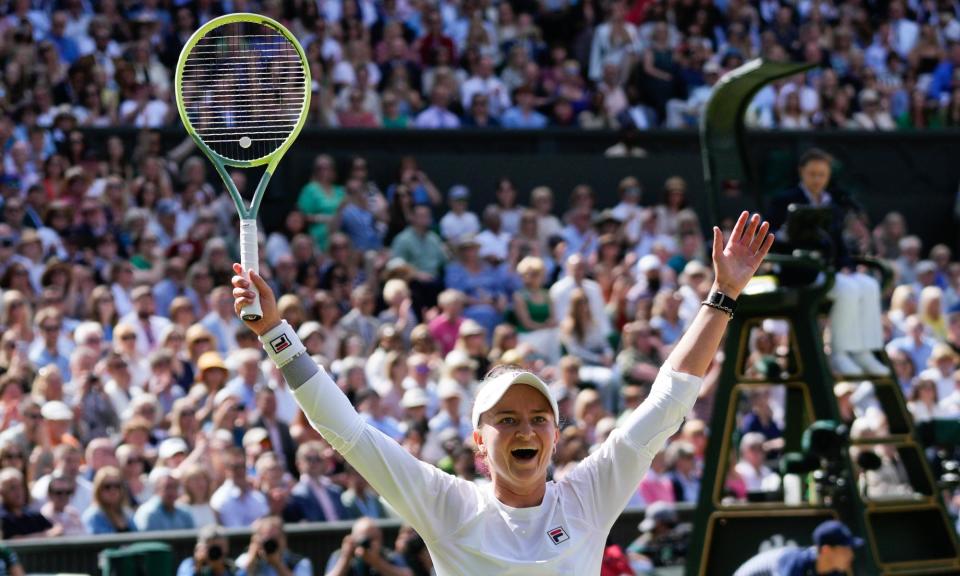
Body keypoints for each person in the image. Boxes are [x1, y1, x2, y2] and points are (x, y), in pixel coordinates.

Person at [231, 211, 773, 573]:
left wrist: (723, 295)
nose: (525, 428)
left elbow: (669, 399)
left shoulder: (589, 495)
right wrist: (278, 334)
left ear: (556, 436)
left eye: (538, 418)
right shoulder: (447, 504)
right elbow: (346, 432)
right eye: (506, 419)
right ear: (477, 442)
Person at [768, 149, 889, 377]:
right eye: (812, 173)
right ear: (801, 172)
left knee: (868, 285)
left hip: (828, 270)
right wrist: (786, 233)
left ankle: (864, 352)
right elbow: (769, 236)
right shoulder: (784, 200)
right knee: (848, 288)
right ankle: (840, 353)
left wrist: (847, 265)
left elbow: (837, 242)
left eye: (822, 174)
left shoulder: (833, 202)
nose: (817, 179)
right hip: (798, 273)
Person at [733, 519, 862, 576]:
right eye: (845, 550)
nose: (851, 555)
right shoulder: (794, 563)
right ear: (826, 550)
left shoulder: (833, 571)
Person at [325, 516, 412, 576]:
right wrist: (345, 559)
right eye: (364, 539)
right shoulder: (340, 555)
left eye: (373, 539)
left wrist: (377, 563)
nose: (368, 544)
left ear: (381, 539)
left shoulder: (387, 556)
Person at [235, 516, 312, 576]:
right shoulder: (245, 559)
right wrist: (252, 560)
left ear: (284, 539)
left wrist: (278, 565)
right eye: (267, 539)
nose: (271, 544)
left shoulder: (300, 563)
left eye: (275, 538)